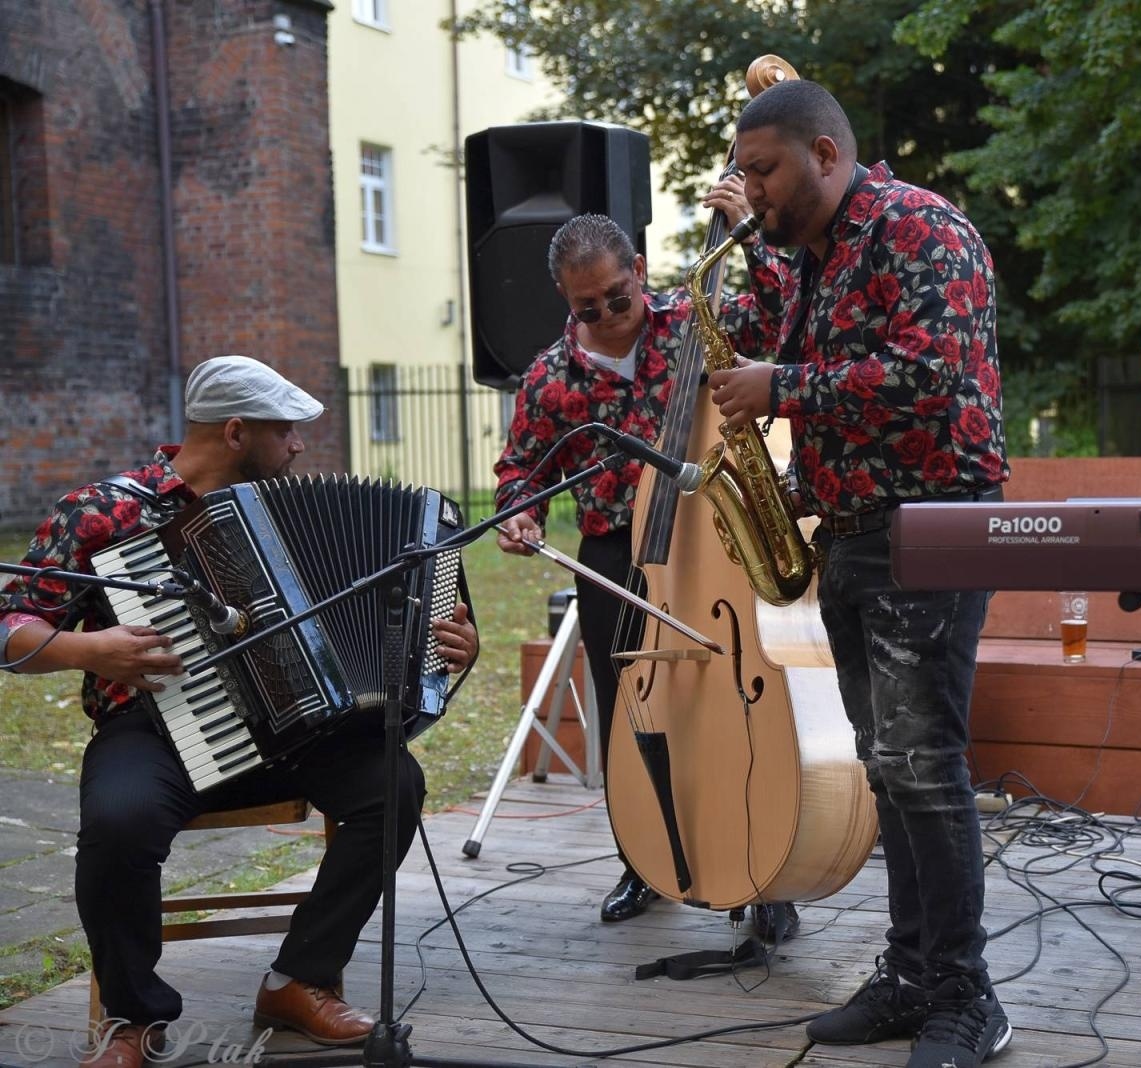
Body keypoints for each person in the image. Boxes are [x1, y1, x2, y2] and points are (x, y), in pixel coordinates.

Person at [0, 355, 479, 1068]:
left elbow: (400, 639)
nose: (296, 445)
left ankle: (297, 981)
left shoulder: (292, 502)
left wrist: (449, 648)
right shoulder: (107, 512)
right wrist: (90, 648)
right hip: (156, 728)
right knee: (118, 821)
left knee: (395, 785)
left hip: (302, 732)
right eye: (284, 430)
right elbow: (10, 628)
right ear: (234, 432)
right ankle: (133, 1019)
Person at [708, 79, 1012, 1068]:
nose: (751, 191)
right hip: (852, 529)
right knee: (891, 768)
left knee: (926, 768)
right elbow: (850, 394)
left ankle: (968, 996)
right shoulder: (810, 263)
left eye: (763, 170)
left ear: (826, 156)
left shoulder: (924, 230)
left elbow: (937, 377)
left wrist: (782, 386)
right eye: (745, 173)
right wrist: (794, 475)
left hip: (931, 525)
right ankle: (913, 973)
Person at [492, 190, 799, 934]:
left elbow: (780, 318)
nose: (604, 316)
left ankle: (763, 876)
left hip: (711, 540)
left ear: (639, 267)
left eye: (616, 296)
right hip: (614, 555)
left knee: (734, 706)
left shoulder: (697, 320)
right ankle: (643, 861)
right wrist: (520, 510)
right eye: (586, 307)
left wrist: (750, 244)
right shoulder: (548, 376)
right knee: (631, 714)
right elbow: (518, 470)